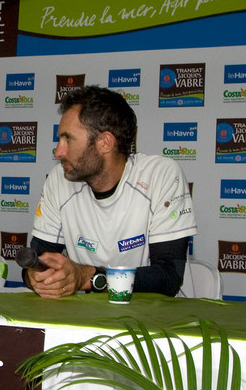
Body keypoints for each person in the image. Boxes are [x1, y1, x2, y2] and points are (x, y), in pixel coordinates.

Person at [24, 85, 196, 298]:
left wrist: (87, 277)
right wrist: (37, 276)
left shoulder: (160, 175)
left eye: (68, 139)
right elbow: (36, 261)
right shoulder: (59, 179)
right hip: (86, 319)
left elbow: (168, 277)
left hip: (151, 320)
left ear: (105, 142)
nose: (58, 152)